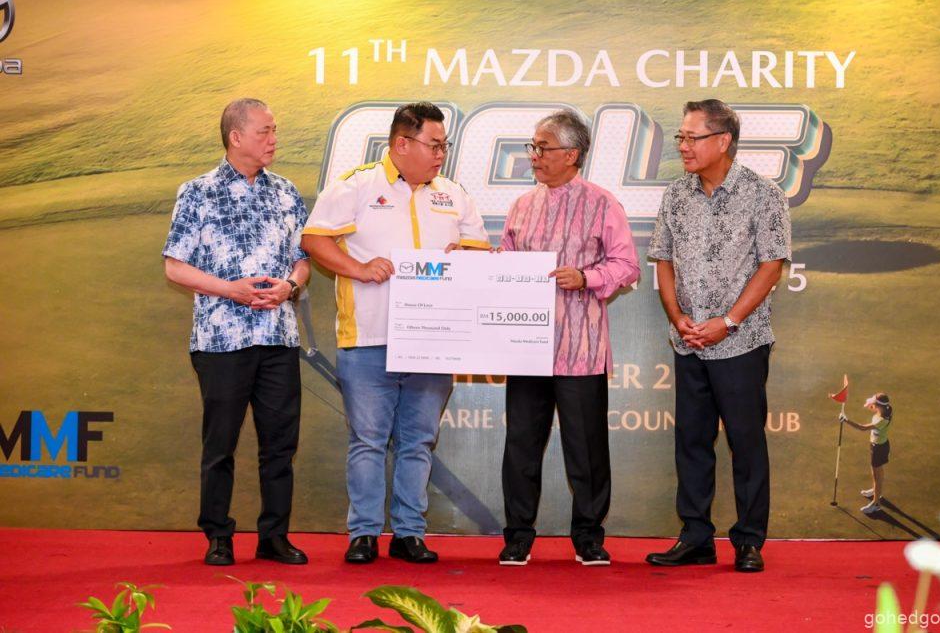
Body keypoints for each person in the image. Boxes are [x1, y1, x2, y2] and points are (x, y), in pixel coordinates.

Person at [301, 102, 489, 565]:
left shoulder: (453, 194)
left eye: (444, 145)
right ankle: (363, 533)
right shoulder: (357, 185)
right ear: (402, 143)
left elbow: (480, 254)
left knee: (418, 441)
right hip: (368, 337)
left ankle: (409, 533)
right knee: (367, 439)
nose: (441, 154)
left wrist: (464, 259)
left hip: (433, 341)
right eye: (434, 144)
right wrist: (358, 268)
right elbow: (314, 238)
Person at [645, 99, 791, 573]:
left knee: (746, 442)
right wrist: (678, 317)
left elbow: (771, 266)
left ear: (723, 141)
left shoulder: (763, 194)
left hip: (741, 343)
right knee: (691, 441)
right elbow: (663, 260)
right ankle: (695, 537)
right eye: (681, 137)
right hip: (688, 341)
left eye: (693, 137)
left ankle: (749, 541)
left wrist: (727, 322)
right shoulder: (676, 195)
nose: (683, 146)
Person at [163, 98, 310, 566]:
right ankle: (218, 536)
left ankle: (274, 537)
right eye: (265, 131)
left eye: (274, 130)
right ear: (236, 137)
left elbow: (302, 261)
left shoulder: (286, 192)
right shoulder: (197, 192)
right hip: (221, 340)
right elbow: (175, 266)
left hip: (278, 338)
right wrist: (231, 290)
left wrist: (290, 286)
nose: (273, 139)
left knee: (280, 446)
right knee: (220, 444)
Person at [498, 110, 640, 567]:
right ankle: (518, 536)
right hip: (526, 348)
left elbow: (627, 266)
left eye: (543, 148)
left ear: (572, 154)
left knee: (587, 450)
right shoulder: (521, 205)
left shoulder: (602, 203)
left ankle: (589, 537)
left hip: (580, 349)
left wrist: (585, 277)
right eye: (533, 147)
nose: (534, 156)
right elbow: (504, 263)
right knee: (521, 446)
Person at [840, 393, 893, 514]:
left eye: (875, 403)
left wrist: (846, 420)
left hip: (879, 448)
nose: (872, 404)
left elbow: (862, 428)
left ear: (879, 405)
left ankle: (876, 504)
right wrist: (871, 405)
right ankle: (875, 490)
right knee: (876, 472)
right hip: (877, 445)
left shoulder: (882, 420)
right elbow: (873, 407)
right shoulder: (885, 409)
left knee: (877, 475)